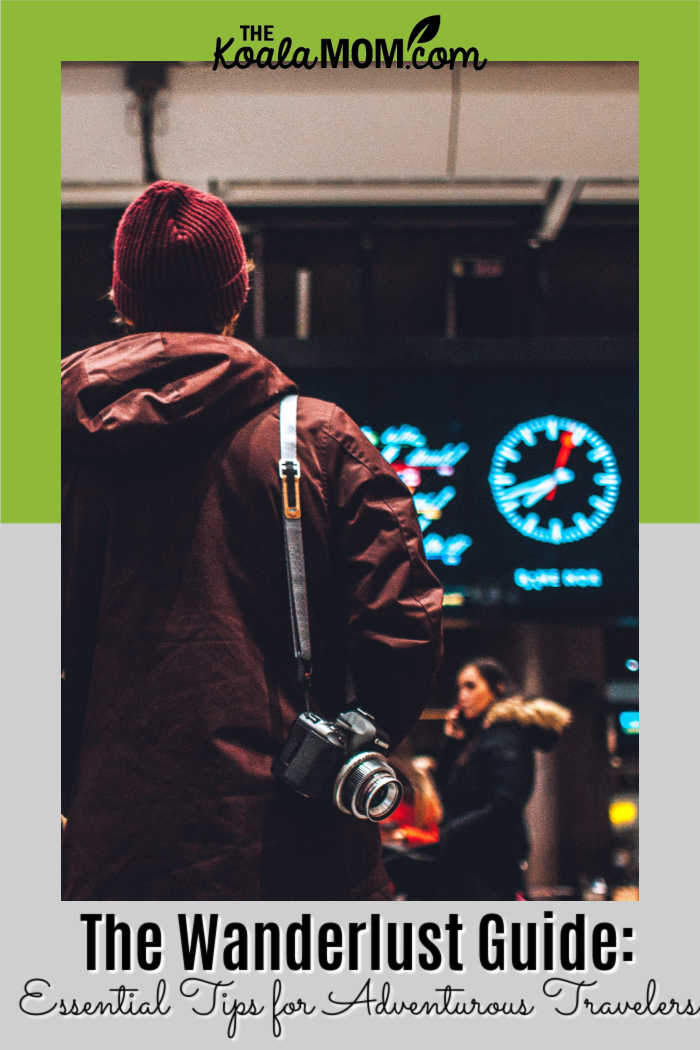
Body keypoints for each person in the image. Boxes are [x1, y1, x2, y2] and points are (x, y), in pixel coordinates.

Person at [61, 180, 443, 901]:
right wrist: (345, 745)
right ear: (238, 294)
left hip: (107, 864)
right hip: (296, 855)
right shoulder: (319, 440)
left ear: (121, 297)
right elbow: (402, 625)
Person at [436, 657, 570, 900]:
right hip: (471, 858)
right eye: (459, 688)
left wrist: (453, 831)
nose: (462, 696)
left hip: (491, 861)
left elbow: (507, 804)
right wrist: (453, 741)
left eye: (471, 686)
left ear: (497, 688)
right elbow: (447, 789)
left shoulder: (505, 735)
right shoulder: (479, 736)